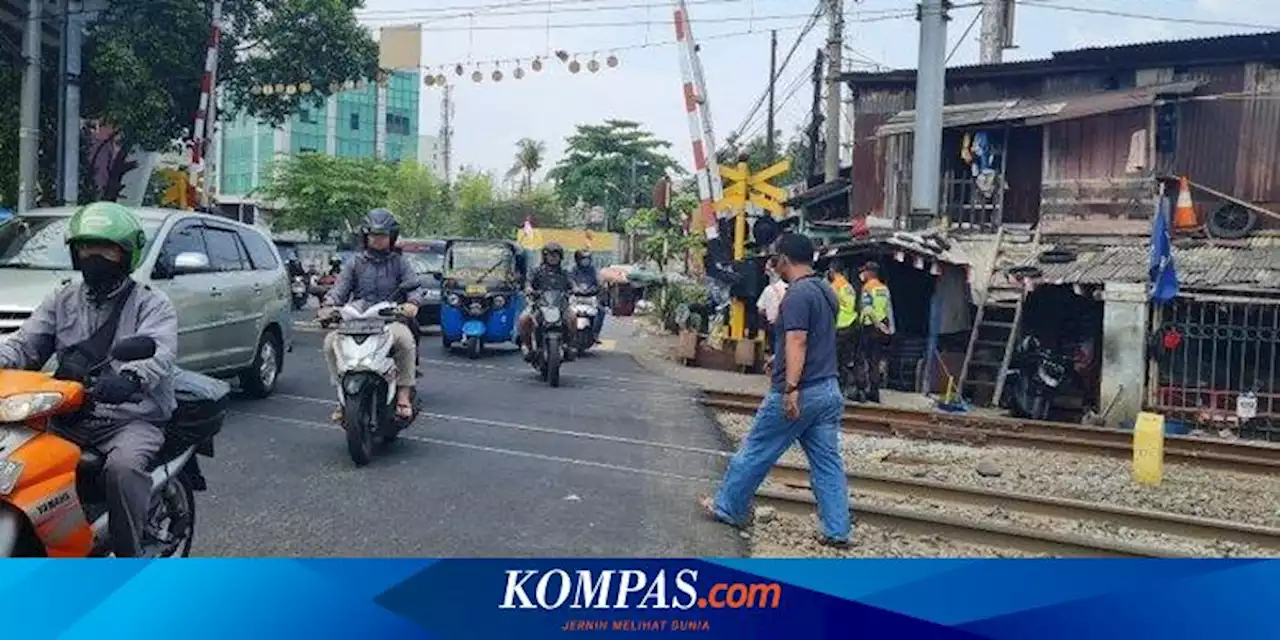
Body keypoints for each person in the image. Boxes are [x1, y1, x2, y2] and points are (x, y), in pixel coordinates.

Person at [0, 202, 179, 558]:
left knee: (122, 470)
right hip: (69, 414)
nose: (94, 256)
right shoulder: (62, 298)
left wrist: (130, 377)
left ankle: (130, 563)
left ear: (127, 253)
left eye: (107, 248)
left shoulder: (152, 304)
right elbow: (24, 345)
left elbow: (160, 351)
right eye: (86, 247)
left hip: (130, 416)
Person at [699, 233, 851, 548]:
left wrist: (791, 386)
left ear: (784, 258)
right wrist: (778, 360)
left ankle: (728, 507)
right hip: (828, 390)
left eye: (775, 257)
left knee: (756, 450)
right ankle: (837, 530)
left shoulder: (796, 296)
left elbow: (798, 340)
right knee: (827, 464)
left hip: (802, 390)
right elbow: (816, 339)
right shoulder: (826, 292)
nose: (772, 263)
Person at [318, 208, 423, 421]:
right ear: (365, 236)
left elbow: (414, 287)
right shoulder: (354, 263)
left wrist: (412, 303)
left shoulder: (399, 263)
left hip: (389, 320)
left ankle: (403, 395)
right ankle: (341, 398)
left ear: (391, 237)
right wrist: (328, 307)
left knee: (405, 340)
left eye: (382, 235)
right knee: (330, 342)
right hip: (357, 321)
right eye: (373, 235)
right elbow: (339, 291)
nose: (377, 240)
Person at [518, 243, 575, 360]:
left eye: (556, 255)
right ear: (545, 256)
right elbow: (528, 282)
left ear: (560, 257)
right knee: (524, 319)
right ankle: (526, 346)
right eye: (550, 255)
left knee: (573, 318)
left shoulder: (564, 273)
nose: (553, 258)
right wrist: (529, 288)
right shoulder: (536, 271)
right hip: (539, 304)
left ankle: (569, 345)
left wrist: (575, 289)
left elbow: (572, 284)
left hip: (560, 305)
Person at [854, 261, 895, 403]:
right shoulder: (884, 288)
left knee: (861, 359)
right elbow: (888, 309)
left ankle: (861, 391)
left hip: (869, 327)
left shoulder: (867, 288)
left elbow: (868, 309)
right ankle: (874, 392)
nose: (862, 274)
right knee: (875, 360)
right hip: (881, 328)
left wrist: (876, 324)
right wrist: (889, 329)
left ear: (870, 273)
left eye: (864, 271)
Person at [827, 260, 858, 397]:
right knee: (846, 360)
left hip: (839, 326)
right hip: (851, 325)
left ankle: (835, 388)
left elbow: (830, 305)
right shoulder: (848, 286)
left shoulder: (834, 286)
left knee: (834, 359)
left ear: (832, 271)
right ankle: (844, 387)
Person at [569, 249, 605, 340]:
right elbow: (570, 281)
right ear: (577, 259)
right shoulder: (573, 270)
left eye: (588, 259)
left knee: (601, 311)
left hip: (590, 297)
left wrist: (598, 287)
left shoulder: (592, 270)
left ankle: (595, 333)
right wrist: (574, 288)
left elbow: (597, 282)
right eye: (583, 259)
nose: (586, 261)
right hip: (576, 298)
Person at [755, 256, 788, 349]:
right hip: (788, 324)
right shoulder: (790, 287)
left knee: (776, 350)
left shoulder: (768, 290)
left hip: (774, 325)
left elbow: (760, 310)